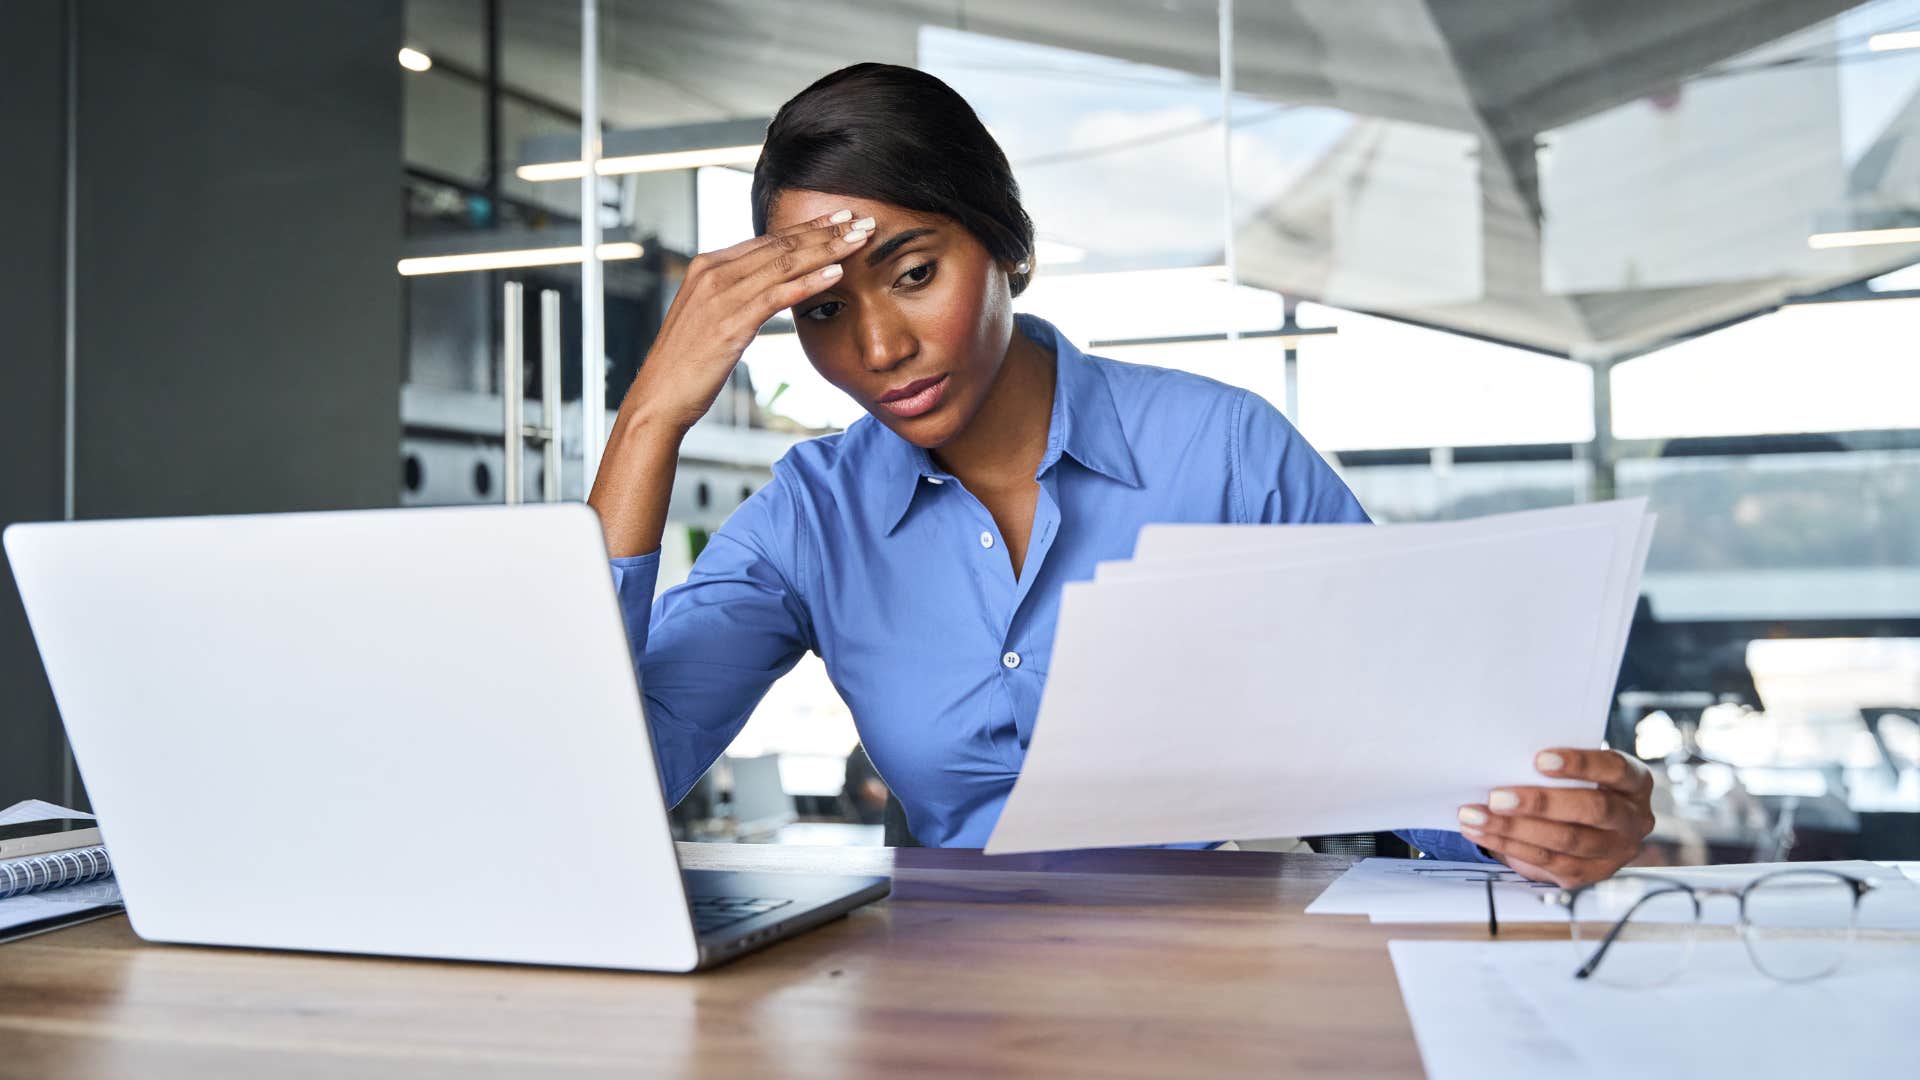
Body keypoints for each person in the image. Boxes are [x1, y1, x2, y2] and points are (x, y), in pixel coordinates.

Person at [587, 63, 1654, 889]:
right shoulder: (812, 517)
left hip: (1224, 981)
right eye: (822, 310)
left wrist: (1547, 824)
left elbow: (1433, 760)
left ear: (1008, 249)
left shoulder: (1225, 454)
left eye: (914, 275)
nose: (876, 345)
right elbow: (612, 781)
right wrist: (649, 422)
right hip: (947, 1009)